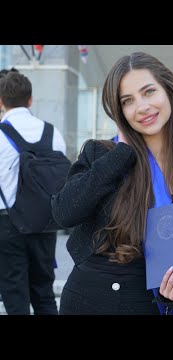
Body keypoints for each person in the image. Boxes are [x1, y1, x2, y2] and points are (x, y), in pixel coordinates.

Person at [51, 52, 173, 315]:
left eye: (149, 92)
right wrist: (121, 155)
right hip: (89, 301)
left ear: (169, 91)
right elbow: (64, 212)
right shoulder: (103, 153)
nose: (141, 107)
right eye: (128, 101)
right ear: (120, 112)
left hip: (148, 306)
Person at [0, 70, 66, 315]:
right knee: (44, 293)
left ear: (0, 101)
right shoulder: (52, 133)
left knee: (15, 296)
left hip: (7, 224)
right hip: (44, 222)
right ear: (30, 99)